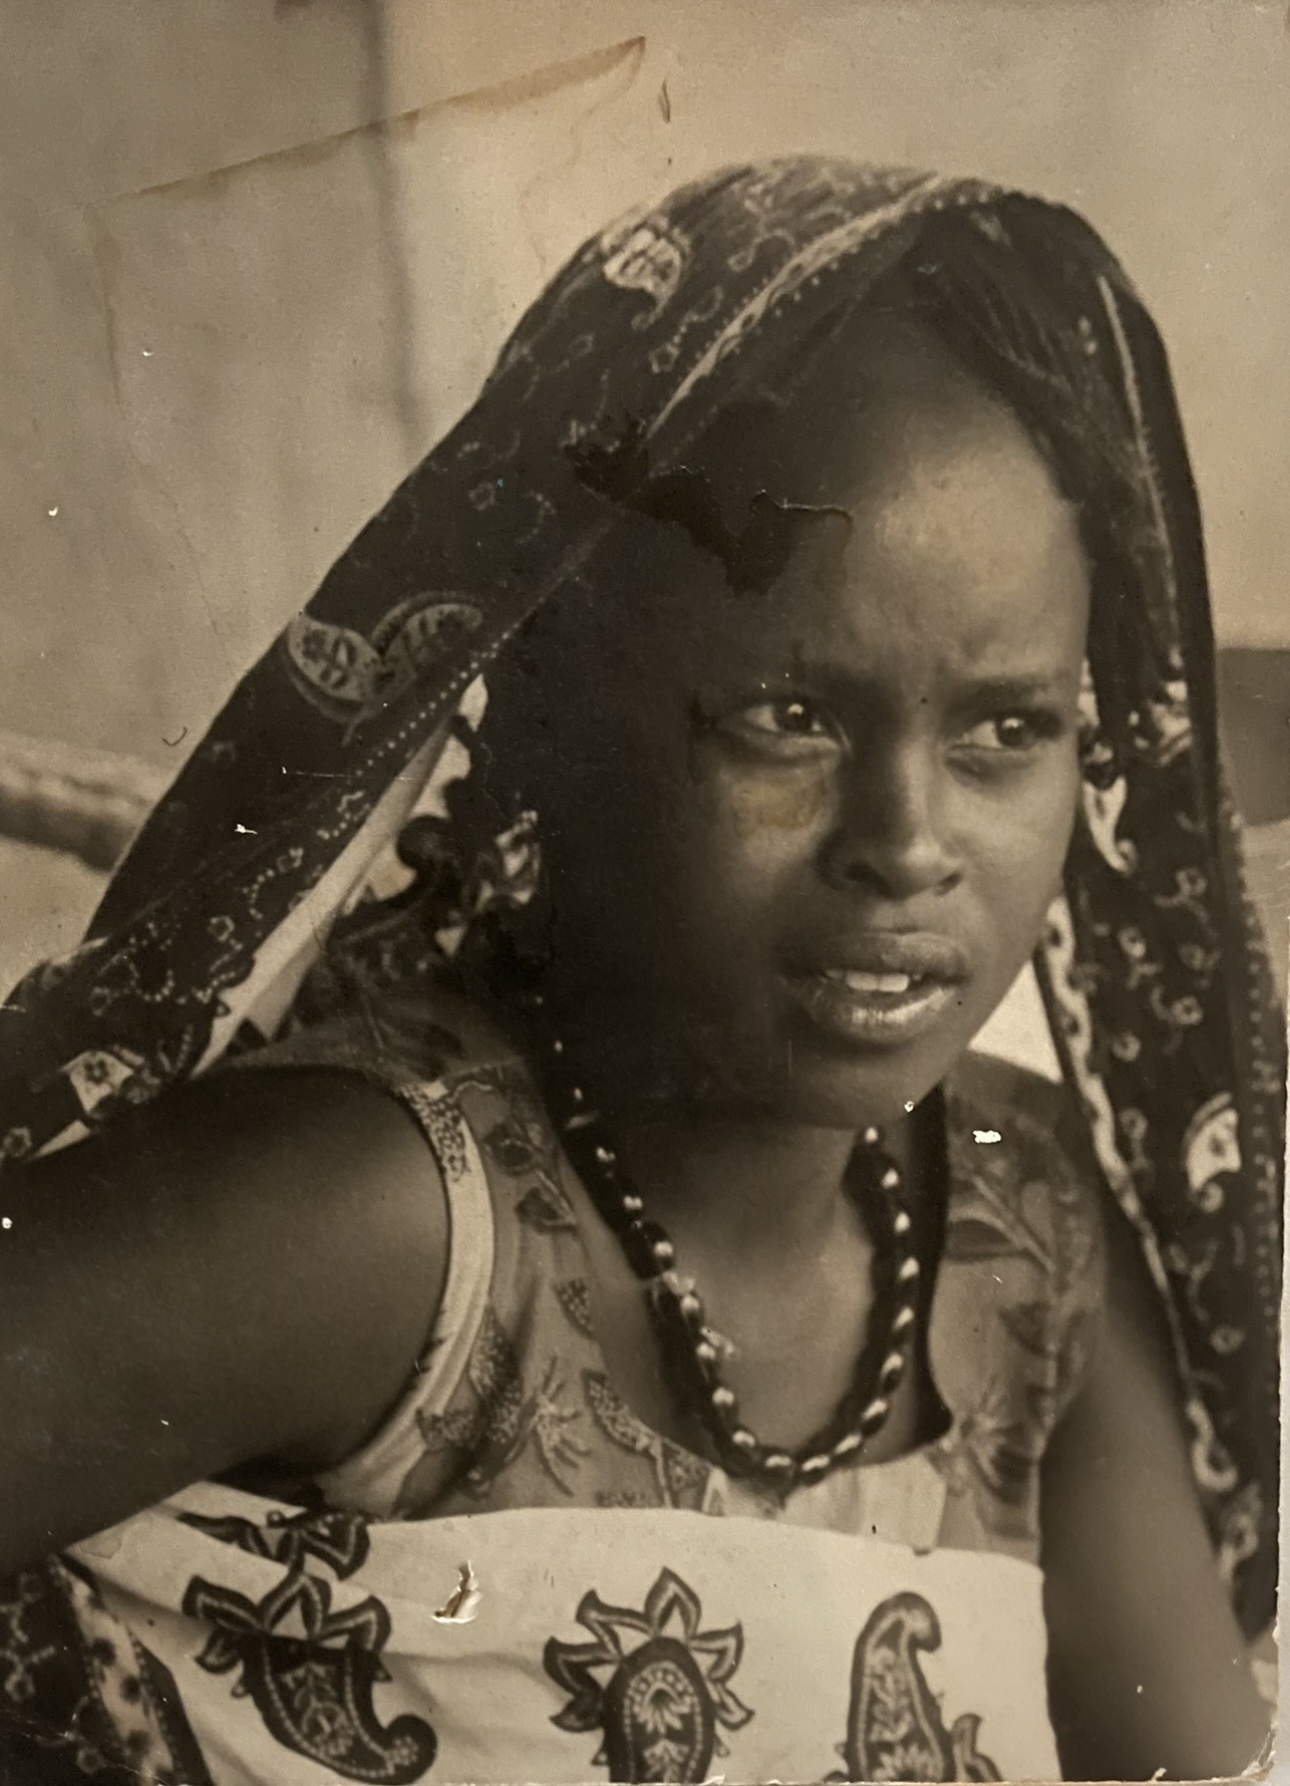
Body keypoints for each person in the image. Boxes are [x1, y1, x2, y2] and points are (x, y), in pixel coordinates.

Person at [0, 158, 1281, 1784]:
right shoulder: (381, 1216)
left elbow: (1197, 1757)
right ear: (549, 725)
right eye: (788, 718)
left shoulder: (1021, 1228)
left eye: (1002, 731)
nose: (904, 840)